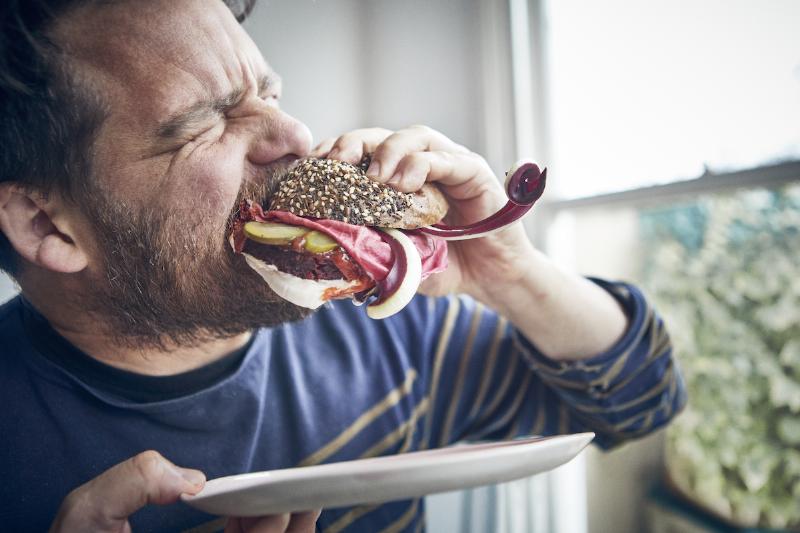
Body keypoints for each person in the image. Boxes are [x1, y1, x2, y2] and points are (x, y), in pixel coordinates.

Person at [0, 0, 686, 531]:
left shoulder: (382, 325)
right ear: (44, 222)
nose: (294, 135)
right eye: (203, 123)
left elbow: (645, 399)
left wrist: (509, 270)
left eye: (267, 93)